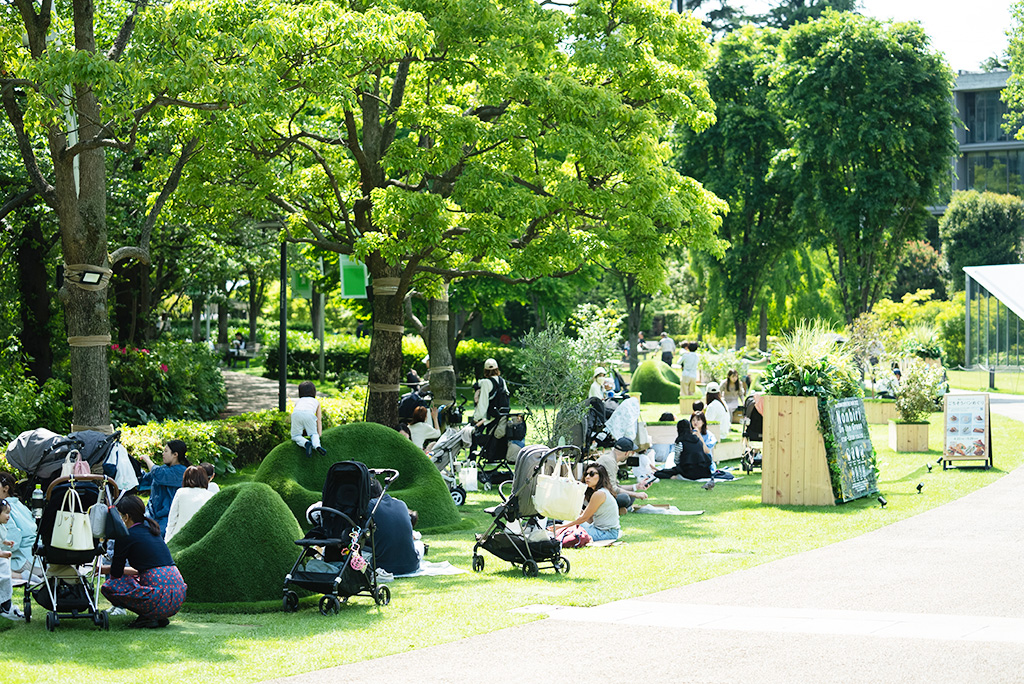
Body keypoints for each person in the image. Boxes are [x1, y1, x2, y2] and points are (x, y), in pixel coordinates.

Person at [101, 494, 187, 629]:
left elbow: (116, 574)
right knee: (136, 579)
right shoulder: (153, 531)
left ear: (126, 517)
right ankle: (158, 616)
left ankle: (148, 616)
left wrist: (102, 569)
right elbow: (149, 567)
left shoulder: (125, 536)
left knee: (109, 586)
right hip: (177, 594)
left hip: (159, 597)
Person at [552, 462, 620, 542]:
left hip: (606, 533)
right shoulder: (600, 492)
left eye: (592, 474)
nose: (587, 477)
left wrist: (561, 527)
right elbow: (589, 519)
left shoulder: (600, 494)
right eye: (586, 474)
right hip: (601, 530)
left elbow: (584, 518)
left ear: (601, 477)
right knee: (569, 524)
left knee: (568, 530)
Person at [367, 479, 420, 575]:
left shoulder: (370, 506)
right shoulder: (401, 503)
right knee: (419, 543)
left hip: (382, 566)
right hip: (412, 565)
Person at [139, 440, 190, 537]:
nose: (163, 454)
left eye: (166, 451)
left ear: (175, 454)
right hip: (151, 514)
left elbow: (158, 475)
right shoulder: (164, 468)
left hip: (167, 517)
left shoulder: (182, 472)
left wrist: (147, 459)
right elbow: (144, 480)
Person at [594, 437, 651, 513]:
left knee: (631, 497)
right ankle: (616, 510)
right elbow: (614, 489)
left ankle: (617, 509)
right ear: (627, 453)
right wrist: (636, 494)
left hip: (605, 493)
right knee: (625, 498)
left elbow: (616, 486)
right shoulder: (609, 461)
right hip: (597, 496)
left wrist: (636, 487)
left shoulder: (610, 459)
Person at [461, 358, 509, 446]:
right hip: (501, 416)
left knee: (473, 433)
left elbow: (483, 403)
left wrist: (476, 418)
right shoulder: (502, 381)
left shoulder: (486, 383)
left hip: (489, 417)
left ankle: (472, 457)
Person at [0, 472, 37, 583]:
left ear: (5, 489)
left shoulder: (5, 510)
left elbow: (14, 541)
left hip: (24, 562)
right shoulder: (21, 505)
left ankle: (21, 577)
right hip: (38, 559)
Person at [164, 466, 215, 542]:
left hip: (179, 536)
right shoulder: (210, 495)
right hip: (201, 538)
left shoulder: (181, 492)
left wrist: (167, 540)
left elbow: (172, 519)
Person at [1, 499, 24, 620]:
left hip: (3, 562)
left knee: (6, 580)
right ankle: (4, 605)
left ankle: (5, 604)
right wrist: (3, 553)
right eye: (6, 513)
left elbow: (1, 539)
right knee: (3, 579)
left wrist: (6, 542)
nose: (8, 516)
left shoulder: (2, 527)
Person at [291, 381, 326, 457]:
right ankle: (317, 445)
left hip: (296, 414)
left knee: (296, 436)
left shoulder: (298, 401)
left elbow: (296, 412)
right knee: (313, 434)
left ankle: (306, 443)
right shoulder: (316, 402)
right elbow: (318, 420)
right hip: (309, 414)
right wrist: (319, 434)